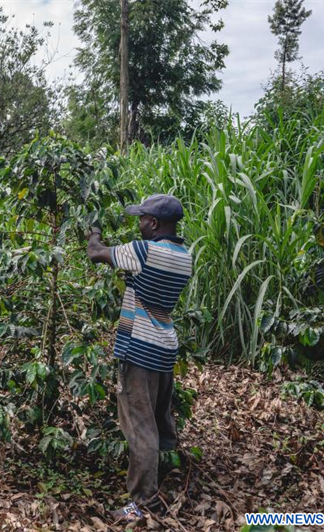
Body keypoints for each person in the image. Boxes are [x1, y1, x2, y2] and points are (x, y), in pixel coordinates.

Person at [85, 194, 192, 522]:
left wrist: (93, 231)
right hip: (164, 346)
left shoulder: (144, 251)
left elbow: (96, 254)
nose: (139, 223)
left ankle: (143, 503)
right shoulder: (184, 256)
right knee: (160, 419)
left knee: (140, 427)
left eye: (143, 219)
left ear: (155, 224)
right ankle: (169, 478)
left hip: (140, 350)